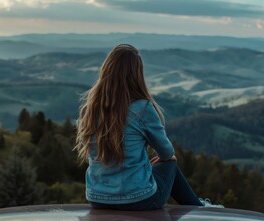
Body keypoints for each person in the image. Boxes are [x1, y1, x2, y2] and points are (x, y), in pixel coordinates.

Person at [76, 44, 212, 210]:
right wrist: (163, 161)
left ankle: (198, 205)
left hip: (98, 199)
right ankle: (200, 208)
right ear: (136, 75)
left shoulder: (89, 110)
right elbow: (167, 153)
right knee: (170, 165)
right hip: (138, 200)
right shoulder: (142, 109)